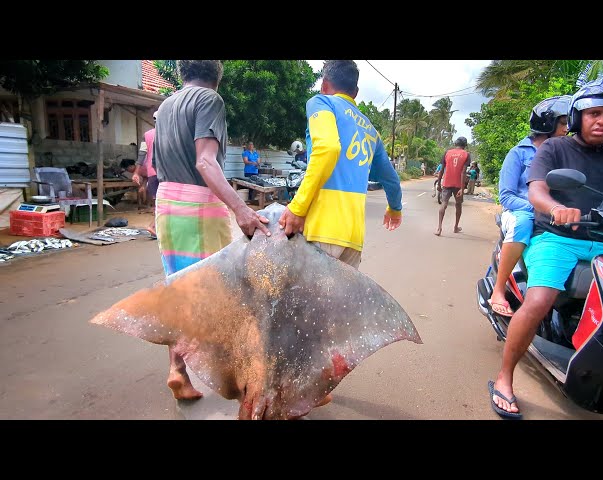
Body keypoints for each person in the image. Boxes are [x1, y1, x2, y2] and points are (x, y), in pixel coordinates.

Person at [489, 77, 603, 419]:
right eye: (595, 113)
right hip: (556, 238)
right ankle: (505, 377)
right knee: (539, 300)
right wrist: (556, 208)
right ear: (578, 118)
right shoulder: (554, 149)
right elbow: (536, 190)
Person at [278, 60, 403, 407]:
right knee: (329, 315)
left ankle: (293, 394)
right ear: (357, 93)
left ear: (325, 83)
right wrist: (395, 207)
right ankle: (319, 389)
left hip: (322, 230)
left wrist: (298, 207)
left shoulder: (322, 104)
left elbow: (327, 148)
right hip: (352, 236)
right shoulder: (369, 128)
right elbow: (390, 177)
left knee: (300, 314)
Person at [152, 60, 271, 401]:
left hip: (167, 204)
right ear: (217, 73)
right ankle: (245, 380)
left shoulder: (166, 106)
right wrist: (242, 209)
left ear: (181, 71)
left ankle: (177, 371)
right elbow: (205, 162)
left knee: (181, 291)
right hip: (199, 206)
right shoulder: (209, 101)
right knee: (230, 292)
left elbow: (157, 164)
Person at [488, 95, 571, 317]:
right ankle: (498, 291)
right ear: (548, 124)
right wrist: (539, 208)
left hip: (555, 214)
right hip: (522, 212)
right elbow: (506, 196)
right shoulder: (519, 153)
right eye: (563, 123)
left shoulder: (567, 152)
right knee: (524, 224)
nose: (567, 129)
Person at [434, 136, 471, 236]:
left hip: (447, 182)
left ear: (455, 143)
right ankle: (455, 227)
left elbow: (442, 169)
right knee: (458, 205)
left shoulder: (447, 152)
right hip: (458, 185)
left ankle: (439, 228)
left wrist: (438, 184)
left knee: (444, 204)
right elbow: (463, 172)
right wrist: (462, 189)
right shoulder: (466, 155)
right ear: (464, 145)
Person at [133, 110, 159, 235]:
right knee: (165, 201)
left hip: (152, 173)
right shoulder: (170, 133)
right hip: (166, 172)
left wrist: (136, 172)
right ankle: (153, 226)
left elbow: (142, 154)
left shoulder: (147, 135)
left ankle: (155, 226)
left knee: (157, 201)